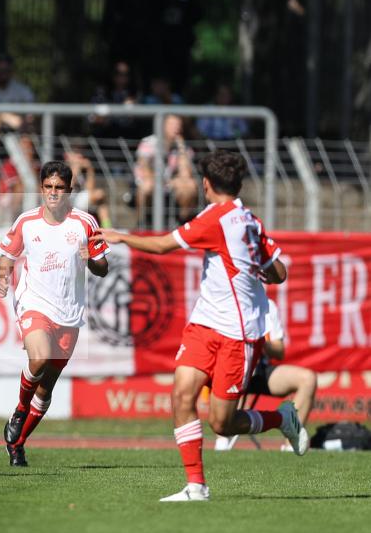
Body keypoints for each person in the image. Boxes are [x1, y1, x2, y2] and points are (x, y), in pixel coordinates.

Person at [94, 150, 307, 502]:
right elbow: (280, 273)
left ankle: (281, 419)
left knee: (222, 423)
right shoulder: (247, 219)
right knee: (181, 394)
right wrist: (257, 268)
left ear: (206, 184)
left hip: (239, 335)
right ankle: (196, 486)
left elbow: (163, 245)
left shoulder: (221, 219)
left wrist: (120, 237)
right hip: (205, 324)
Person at [0, 161, 110, 467]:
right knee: (39, 358)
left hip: (69, 313)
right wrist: (3, 276)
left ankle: (18, 443)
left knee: (46, 388)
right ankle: (20, 410)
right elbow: (7, 254)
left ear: (69, 190)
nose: (53, 193)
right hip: (34, 303)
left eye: (59, 188)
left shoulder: (85, 223)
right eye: (48, 187)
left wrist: (91, 260)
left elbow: (103, 268)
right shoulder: (27, 222)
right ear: (41, 188)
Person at [215, 298, 317, 451]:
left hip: (260, 370)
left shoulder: (268, 305)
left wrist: (260, 341)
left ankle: (290, 447)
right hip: (232, 367)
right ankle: (222, 440)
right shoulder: (226, 302)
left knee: (308, 379)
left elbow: (279, 351)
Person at [134, 114, 197, 225]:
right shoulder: (149, 142)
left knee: (190, 186)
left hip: (170, 183)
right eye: (172, 125)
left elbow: (186, 175)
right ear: (163, 126)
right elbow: (144, 170)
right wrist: (161, 182)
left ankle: (181, 223)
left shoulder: (183, 147)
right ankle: (141, 222)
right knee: (146, 187)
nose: (176, 128)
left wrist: (181, 147)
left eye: (179, 125)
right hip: (151, 180)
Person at [66, 149, 112, 228]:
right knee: (99, 194)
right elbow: (68, 186)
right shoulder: (65, 170)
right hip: (70, 200)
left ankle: (107, 228)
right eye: (78, 157)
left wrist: (90, 169)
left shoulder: (82, 173)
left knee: (102, 205)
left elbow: (89, 189)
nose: (81, 159)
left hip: (80, 199)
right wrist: (75, 168)